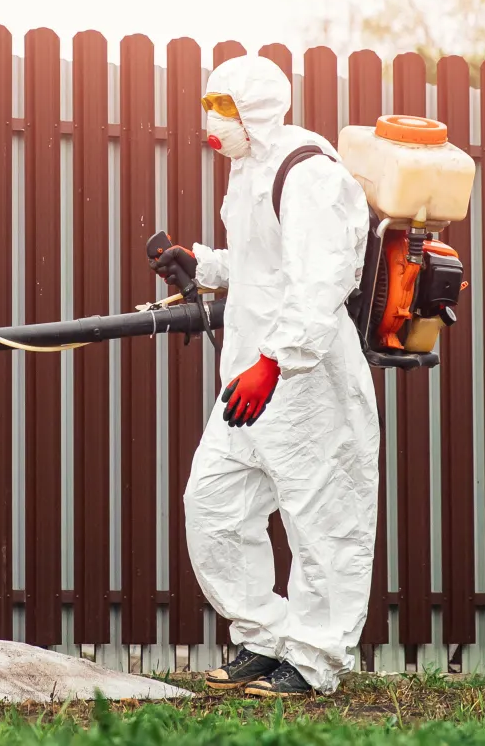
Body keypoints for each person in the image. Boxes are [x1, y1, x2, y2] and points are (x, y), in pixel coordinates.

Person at [149, 55, 376, 698]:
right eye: (209, 108)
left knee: (321, 516)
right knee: (215, 505)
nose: (209, 125)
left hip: (303, 379)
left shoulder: (309, 173)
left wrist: (274, 364)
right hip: (248, 373)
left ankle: (313, 660)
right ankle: (263, 637)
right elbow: (262, 266)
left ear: (257, 110)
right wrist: (203, 262)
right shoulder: (249, 171)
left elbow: (321, 280)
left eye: (223, 110)